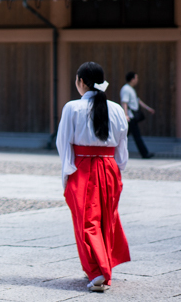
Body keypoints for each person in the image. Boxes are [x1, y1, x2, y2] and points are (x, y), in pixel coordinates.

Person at [56, 61, 131, 293]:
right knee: (106, 219)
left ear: (80, 81)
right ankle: (102, 266)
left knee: (86, 221)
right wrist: (118, 169)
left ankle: (97, 271)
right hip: (109, 168)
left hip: (83, 167)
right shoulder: (116, 109)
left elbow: (63, 143)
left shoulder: (72, 108)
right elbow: (122, 146)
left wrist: (67, 174)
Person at [121, 71, 155, 159]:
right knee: (135, 136)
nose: (137, 80)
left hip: (131, 117)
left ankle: (144, 153)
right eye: (136, 78)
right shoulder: (126, 89)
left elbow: (138, 101)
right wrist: (126, 115)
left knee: (124, 137)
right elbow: (124, 102)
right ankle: (145, 153)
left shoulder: (131, 89)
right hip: (130, 117)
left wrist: (148, 108)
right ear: (132, 79)